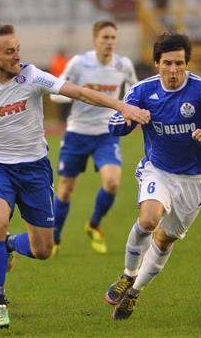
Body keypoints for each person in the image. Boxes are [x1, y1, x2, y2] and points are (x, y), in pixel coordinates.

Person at [0, 24, 150, 329]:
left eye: (18, 49)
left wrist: (120, 104)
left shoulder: (31, 76)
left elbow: (77, 91)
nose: (17, 56)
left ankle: (9, 245)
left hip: (35, 170)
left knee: (43, 250)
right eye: (9, 52)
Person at [104, 33, 201, 320]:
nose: (173, 70)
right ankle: (127, 274)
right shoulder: (142, 91)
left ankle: (135, 293)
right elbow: (115, 122)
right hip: (158, 170)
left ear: (187, 64)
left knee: (164, 240)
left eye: (179, 63)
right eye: (167, 63)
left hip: (194, 181)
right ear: (156, 64)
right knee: (149, 219)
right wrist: (130, 118)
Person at [49, 20, 138, 255]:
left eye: (113, 38)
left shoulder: (123, 64)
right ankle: (55, 237)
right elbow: (55, 93)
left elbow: (135, 91)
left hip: (106, 134)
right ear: (95, 40)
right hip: (77, 132)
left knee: (112, 182)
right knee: (66, 190)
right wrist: (80, 96)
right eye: (105, 37)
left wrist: (131, 108)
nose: (109, 42)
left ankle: (94, 224)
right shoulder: (79, 63)